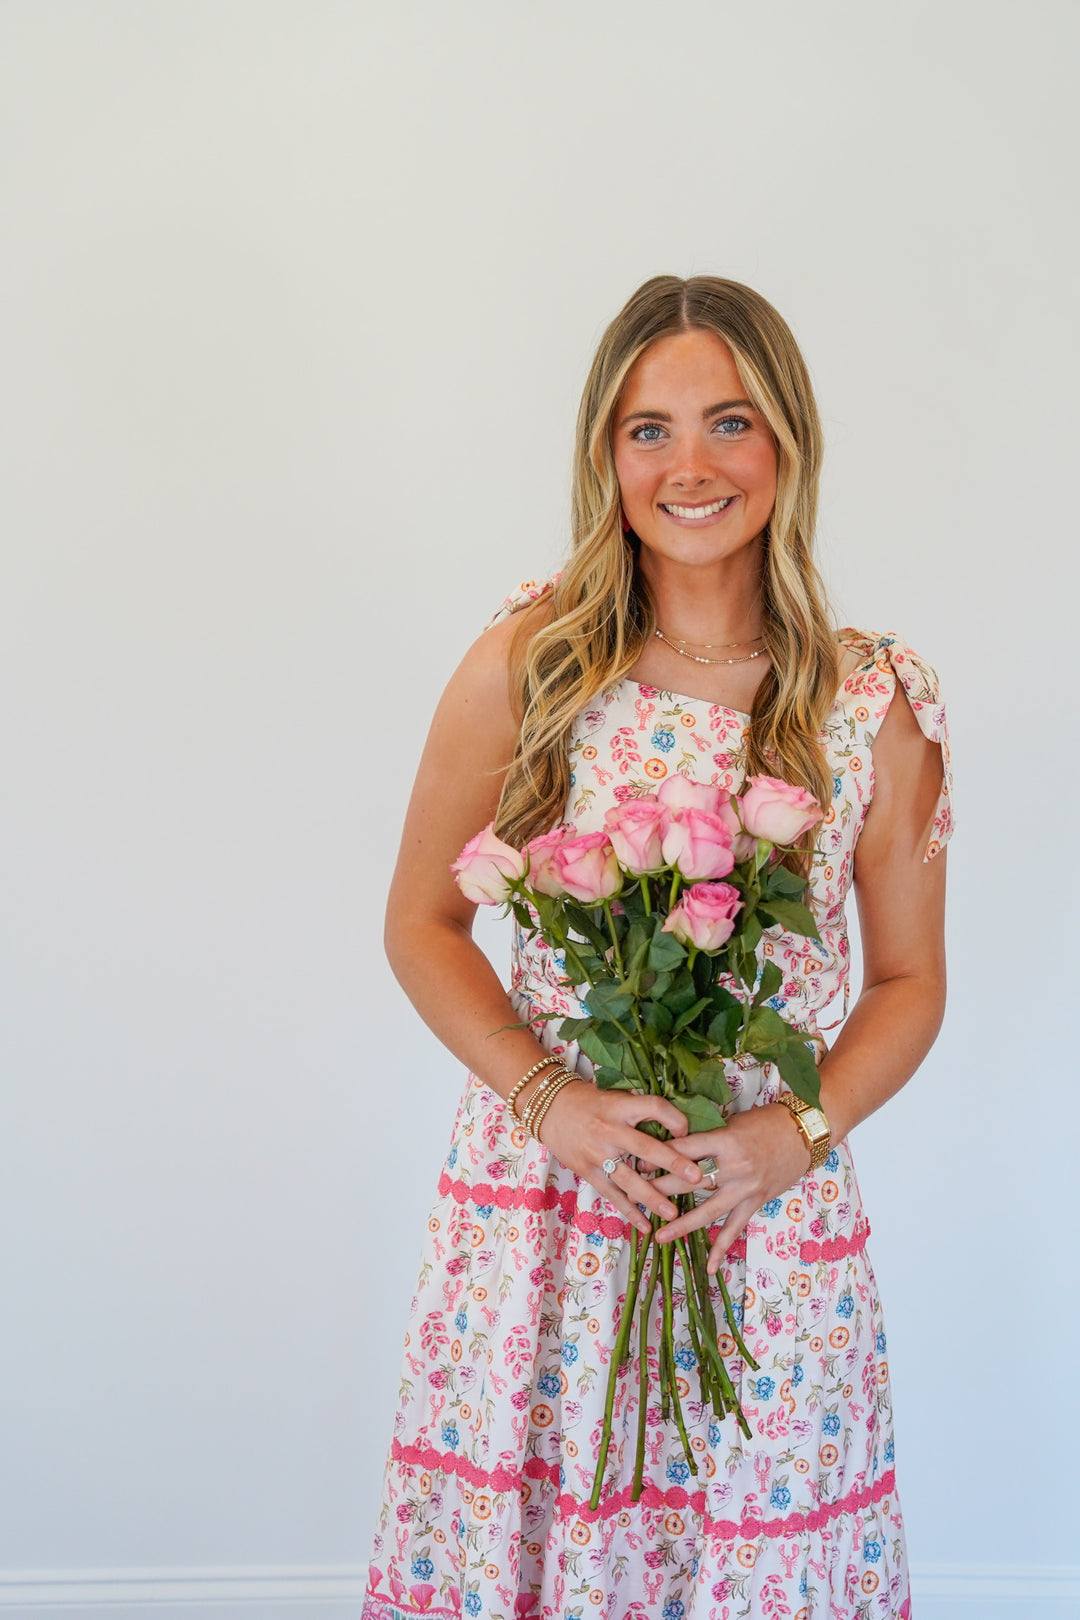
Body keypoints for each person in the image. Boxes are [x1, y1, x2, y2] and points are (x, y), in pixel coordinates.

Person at [361, 275, 953, 1620]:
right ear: (604, 454)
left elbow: (910, 986)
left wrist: (788, 1137)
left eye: (730, 422)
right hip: (552, 1215)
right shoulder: (532, 665)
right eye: (650, 429)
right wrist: (549, 1101)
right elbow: (422, 921)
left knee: (762, 1543)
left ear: (789, 442)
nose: (690, 465)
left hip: (766, 1218)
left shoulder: (872, 704)